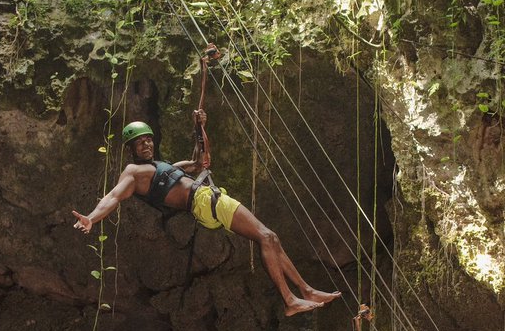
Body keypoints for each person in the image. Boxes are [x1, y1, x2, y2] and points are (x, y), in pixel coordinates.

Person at [72, 119, 341, 316]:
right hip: (205, 202)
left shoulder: (164, 167)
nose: (146, 144)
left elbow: (200, 162)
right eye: (140, 142)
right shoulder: (133, 172)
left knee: (272, 238)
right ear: (130, 148)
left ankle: (305, 291)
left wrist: (200, 127)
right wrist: (92, 218)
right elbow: (113, 196)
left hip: (208, 199)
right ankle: (290, 299)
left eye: (148, 140)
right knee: (266, 236)